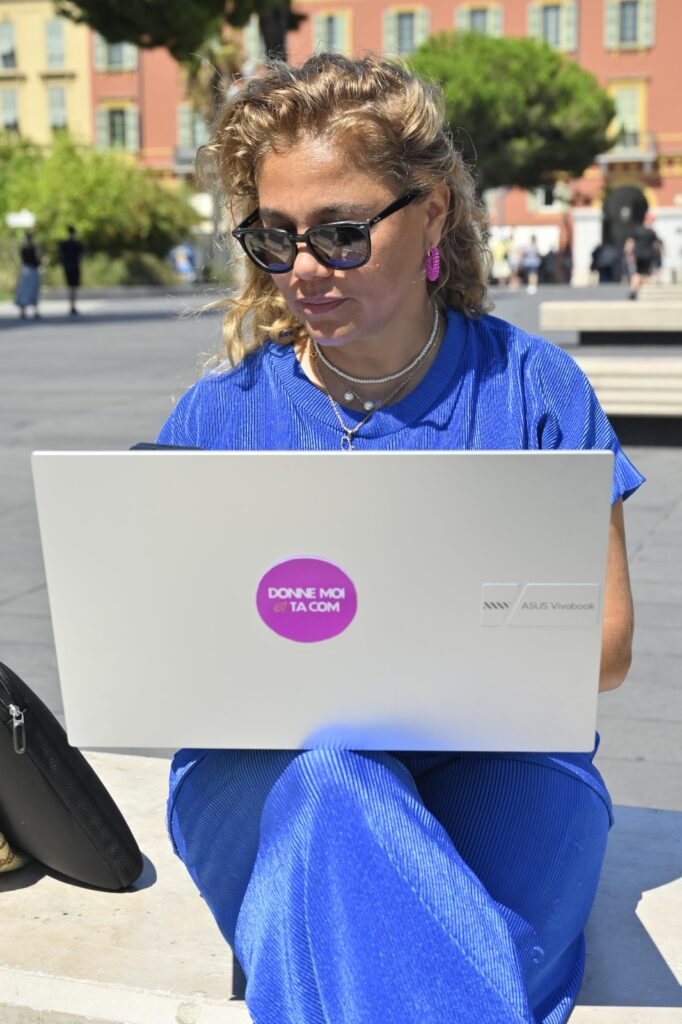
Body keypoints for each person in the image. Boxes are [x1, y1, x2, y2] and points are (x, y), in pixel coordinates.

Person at [157, 55, 644, 1024]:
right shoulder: (217, 415)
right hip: (269, 772)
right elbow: (167, 650)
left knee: (342, 940)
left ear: (429, 215)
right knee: (334, 786)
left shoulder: (532, 389)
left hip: (507, 763)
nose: (300, 269)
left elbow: (607, 645)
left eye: (338, 234)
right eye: (272, 236)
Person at [58, 226, 85, 315]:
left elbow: (61, 256)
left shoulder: (65, 244)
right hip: (74, 267)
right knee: (73, 287)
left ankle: (72, 305)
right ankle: (73, 305)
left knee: (71, 287)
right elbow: (82, 255)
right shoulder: (77, 244)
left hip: (68, 267)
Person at [14, 231, 42, 319]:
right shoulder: (34, 248)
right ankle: (35, 310)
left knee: (24, 290)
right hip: (33, 270)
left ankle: (23, 311)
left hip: (25, 270)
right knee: (33, 290)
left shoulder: (23, 248)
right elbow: (39, 258)